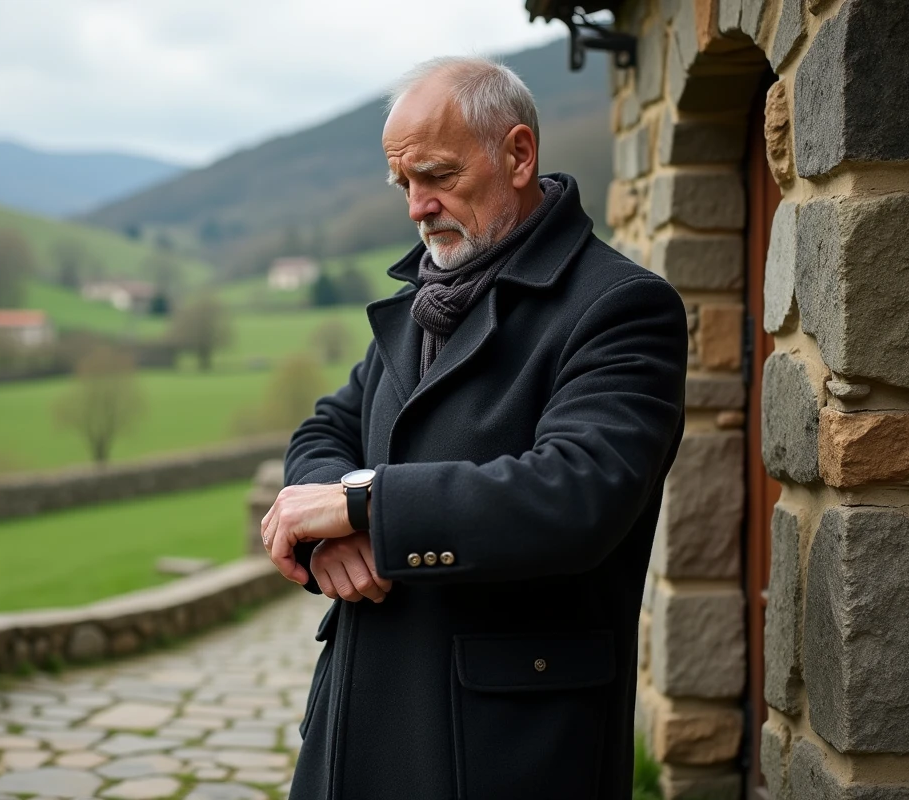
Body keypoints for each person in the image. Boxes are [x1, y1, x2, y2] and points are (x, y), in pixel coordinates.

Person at [260, 56, 688, 799]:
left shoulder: (620, 307)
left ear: (518, 154)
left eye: (437, 176)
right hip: (357, 726)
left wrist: (364, 505)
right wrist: (324, 528)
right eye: (404, 184)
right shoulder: (425, 303)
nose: (417, 207)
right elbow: (327, 428)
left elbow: (576, 493)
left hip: (503, 747)